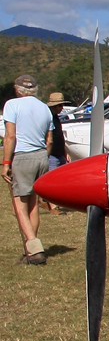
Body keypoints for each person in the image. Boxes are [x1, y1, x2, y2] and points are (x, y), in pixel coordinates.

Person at [2, 75, 55, 264]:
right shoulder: (44, 108)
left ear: (18, 89)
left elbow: (10, 136)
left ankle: (34, 248)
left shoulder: (11, 105)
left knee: (19, 205)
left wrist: (6, 163)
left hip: (23, 155)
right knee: (33, 204)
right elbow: (49, 140)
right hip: (41, 155)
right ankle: (32, 248)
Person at [44, 92, 68, 214]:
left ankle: (58, 202)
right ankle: (53, 207)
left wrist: (65, 151)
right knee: (51, 180)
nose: (61, 108)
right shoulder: (47, 117)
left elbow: (59, 136)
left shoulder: (56, 118)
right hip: (52, 154)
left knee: (62, 180)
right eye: (59, 105)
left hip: (60, 152)